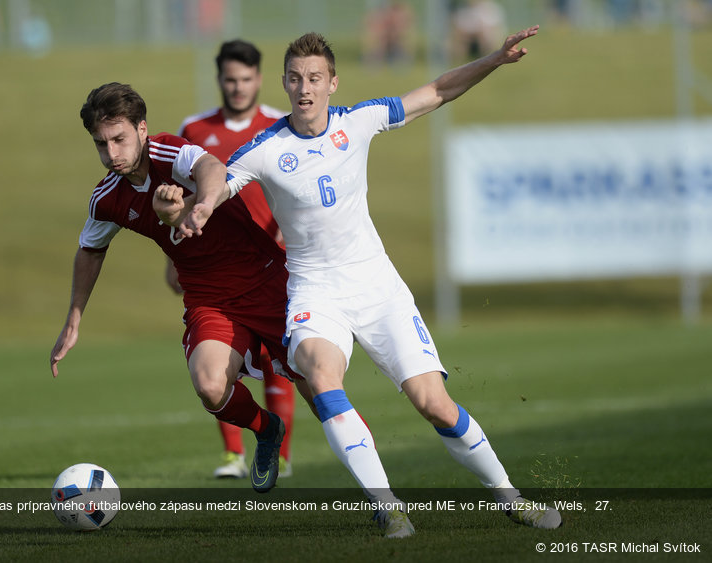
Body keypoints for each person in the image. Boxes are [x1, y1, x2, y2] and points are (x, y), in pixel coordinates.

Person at [173, 26, 563, 538]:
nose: (304, 87)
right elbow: (217, 184)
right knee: (318, 372)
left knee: (433, 404)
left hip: (379, 290)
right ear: (285, 85)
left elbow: (438, 91)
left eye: (314, 77)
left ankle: (510, 498)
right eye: (295, 78)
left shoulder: (358, 122)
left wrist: (493, 58)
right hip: (315, 294)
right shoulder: (265, 148)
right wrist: (193, 210)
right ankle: (387, 506)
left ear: (333, 83)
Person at [49, 82, 294, 494]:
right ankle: (267, 430)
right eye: (101, 143)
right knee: (211, 386)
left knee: (316, 383)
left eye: (119, 139)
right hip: (209, 299)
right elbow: (90, 250)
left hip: (266, 276)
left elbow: (211, 168)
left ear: (142, 130)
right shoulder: (108, 198)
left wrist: (200, 206)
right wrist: (74, 320)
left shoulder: (168, 152)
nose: (112, 154)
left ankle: (380, 496)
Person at [175, 39, 295, 480]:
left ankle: (280, 456)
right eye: (230, 79)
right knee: (222, 359)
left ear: (259, 79)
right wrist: (176, 257)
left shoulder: (280, 126)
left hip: (277, 262)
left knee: (280, 362)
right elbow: (185, 195)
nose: (238, 86)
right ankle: (233, 455)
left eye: (246, 79)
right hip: (216, 267)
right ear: (219, 79)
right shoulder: (195, 128)